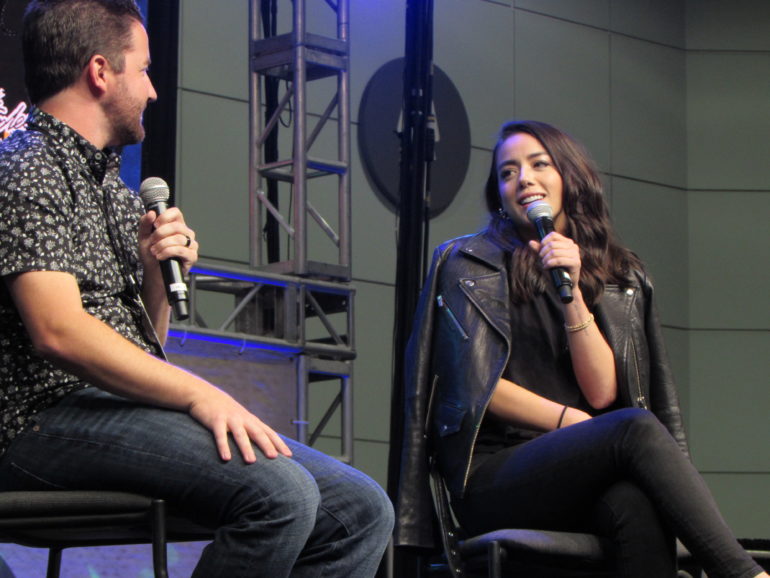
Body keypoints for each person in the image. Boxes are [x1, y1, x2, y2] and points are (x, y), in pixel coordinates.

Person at [0, 1, 393, 576]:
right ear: (101, 72)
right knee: (278, 494)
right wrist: (197, 392)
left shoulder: (114, 191)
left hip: (108, 410)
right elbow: (58, 333)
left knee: (360, 508)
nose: (153, 90)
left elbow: (140, 349)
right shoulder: (26, 165)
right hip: (36, 424)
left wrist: (155, 278)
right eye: (144, 69)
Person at [394, 119, 766, 578]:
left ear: (571, 177)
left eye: (538, 164)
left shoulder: (619, 277)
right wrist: (568, 421)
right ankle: (744, 574)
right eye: (508, 172)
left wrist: (572, 297)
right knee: (634, 429)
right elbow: (470, 387)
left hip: (581, 470)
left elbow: (603, 393)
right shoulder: (467, 264)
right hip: (492, 472)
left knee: (634, 506)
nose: (523, 178)